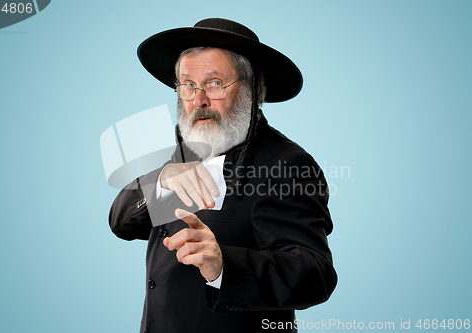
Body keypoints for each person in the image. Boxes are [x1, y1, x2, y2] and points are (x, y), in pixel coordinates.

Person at [109, 18, 337, 333]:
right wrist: (161, 180)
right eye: (188, 84)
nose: (198, 99)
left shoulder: (288, 163)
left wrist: (223, 265)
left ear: (253, 88)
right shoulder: (182, 154)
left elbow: (316, 275)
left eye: (215, 83)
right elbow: (120, 223)